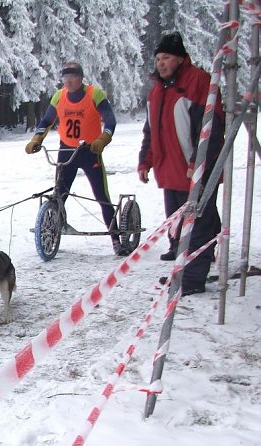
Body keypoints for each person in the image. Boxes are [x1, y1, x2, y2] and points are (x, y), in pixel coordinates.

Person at [138, 32, 224, 295]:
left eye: (166, 58)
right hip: (170, 172)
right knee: (179, 226)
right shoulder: (157, 90)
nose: (160, 63)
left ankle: (192, 279)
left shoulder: (197, 81)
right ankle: (183, 270)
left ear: (179, 58)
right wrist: (145, 161)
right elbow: (151, 131)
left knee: (197, 226)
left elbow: (210, 128)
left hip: (194, 172)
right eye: (158, 59)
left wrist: (198, 162)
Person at [25, 62, 122, 255]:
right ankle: (52, 232)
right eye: (65, 78)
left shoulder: (94, 94)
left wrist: (104, 138)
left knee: (101, 196)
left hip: (89, 151)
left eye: (72, 78)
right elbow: (46, 120)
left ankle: (116, 238)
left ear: (81, 78)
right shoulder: (59, 96)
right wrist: (36, 139)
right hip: (66, 150)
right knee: (59, 194)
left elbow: (110, 120)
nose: (68, 82)